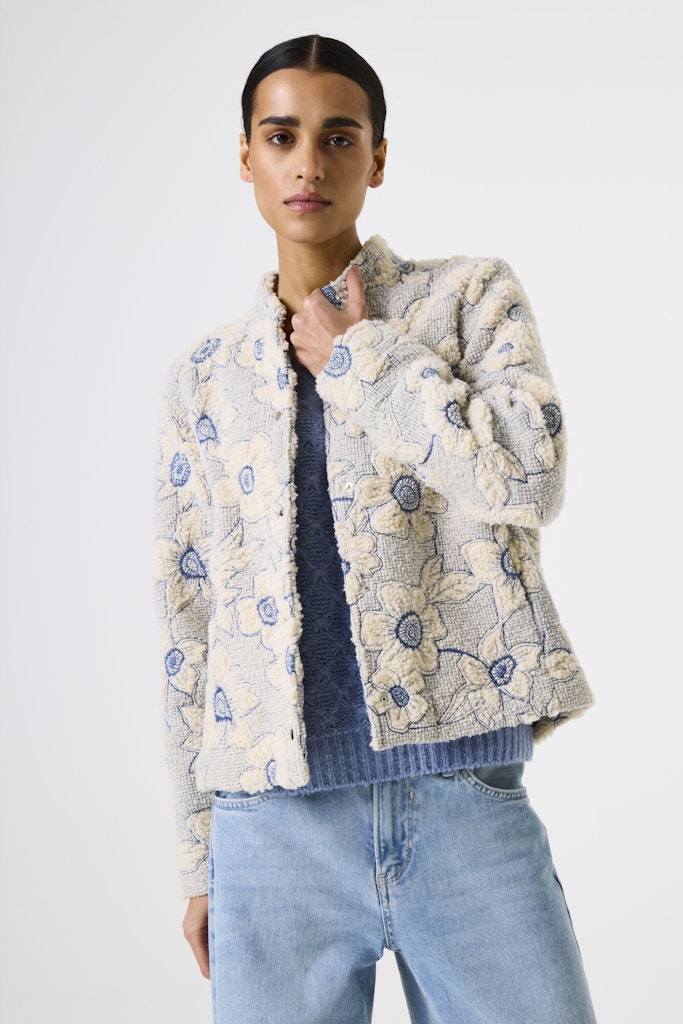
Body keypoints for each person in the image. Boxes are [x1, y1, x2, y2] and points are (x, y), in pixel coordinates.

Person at [154, 33, 597, 1024]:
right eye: (281, 136)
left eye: (338, 137)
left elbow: (528, 475)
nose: (308, 163)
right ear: (245, 157)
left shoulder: (467, 299)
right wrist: (198, 855)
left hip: (464, 802)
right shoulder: (204, 379)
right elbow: (190, 620)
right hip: (270, 831)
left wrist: (361, 359)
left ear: (377, 158)